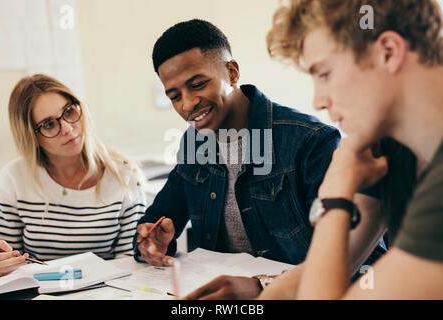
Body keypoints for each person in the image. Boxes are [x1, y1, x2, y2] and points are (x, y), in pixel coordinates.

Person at [133, 19, 386, 299]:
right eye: (174, 96)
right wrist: (151, 243)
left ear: (232, 72)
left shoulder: (311, 141)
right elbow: (156, 221)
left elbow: (366, 262)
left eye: (198, 84)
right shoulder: (194, 142)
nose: (188, 104)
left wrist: (262, 286)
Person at [259, 0, 443, 299]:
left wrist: (335, 195)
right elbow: (323, 270)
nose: (318, 102)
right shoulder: (390, 147)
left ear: (389, 52)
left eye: (324, 74)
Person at [0, 74, 146, 277]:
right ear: (31, 136)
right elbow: (4, 260)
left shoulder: (124, 174)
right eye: (48, 124)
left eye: (69, 111)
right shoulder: (14, 178)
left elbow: (130, 263)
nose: (67, 128)